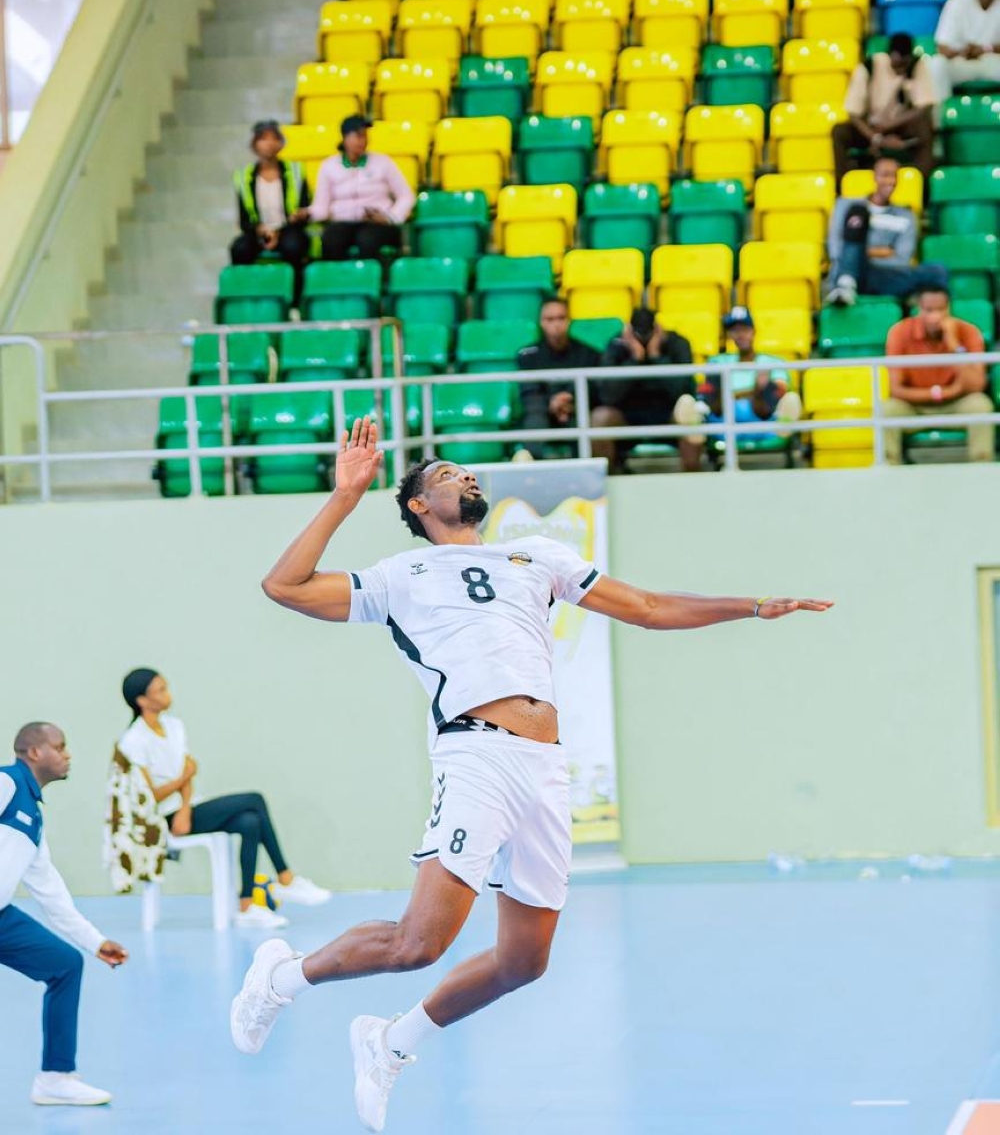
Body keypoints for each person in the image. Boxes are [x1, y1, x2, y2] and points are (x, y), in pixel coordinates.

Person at [229, 417, 832, 1133]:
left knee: (524, 961)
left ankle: (390, 1042)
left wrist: (754, 606)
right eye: (447, 474)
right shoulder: (400, 576)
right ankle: (282, 977)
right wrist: (344, 496)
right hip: (476, 756)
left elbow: (646, 608)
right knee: (417, 944)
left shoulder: (536, 557)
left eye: (469, 471)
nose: (467, 476)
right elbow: (284, 585)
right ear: (419, 505)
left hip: (543, 768)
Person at [118, 669, 331, 928]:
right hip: (161, 818)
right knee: (254, 799)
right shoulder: (133, 741)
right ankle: (286, 879)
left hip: (186, 810)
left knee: (250, 822)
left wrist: (185, 806)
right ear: (142, 701)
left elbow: (188, 773)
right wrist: (182, 781)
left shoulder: (175, 727)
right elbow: (149, 795)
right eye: (160, 690)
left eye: (166, 687)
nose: (168, 694)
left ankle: (246, 907)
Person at [0, 722, 128, 1107]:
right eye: (61, 746)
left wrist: (95, 942)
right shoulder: (5, 784)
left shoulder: (33, 819)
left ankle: (55, 1078)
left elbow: (51, 894)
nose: (68, 754)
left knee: (65, 964)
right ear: (34, 752)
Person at [883, 286, 994, 464]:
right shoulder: (899, 332)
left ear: (949, 308)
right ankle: (889, 470)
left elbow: (976, 385)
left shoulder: (969, 331)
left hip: (957, 405)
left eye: (940, 309)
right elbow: (895, 389)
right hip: (914, 406)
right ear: (918, 309)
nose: (935, 316)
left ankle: (981, 468)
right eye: (928, 310)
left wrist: (953, 343)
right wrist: (945, 392)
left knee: (981, 405)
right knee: (887, 410)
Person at [591, 307, 703, 473]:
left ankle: (694, 478)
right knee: (600, 418)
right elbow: (608, 396)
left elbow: (683, 390)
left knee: (689, 410)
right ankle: (607, 481)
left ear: (656, 328)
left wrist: (656, 356)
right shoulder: (616, 345)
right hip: (627, 413)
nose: (643, 336)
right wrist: (635, 358)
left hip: (668, 411)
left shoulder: (677, 343)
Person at [824, 156, 948, 306]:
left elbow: (902, 259)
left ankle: (933, 317)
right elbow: (837, 250)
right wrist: (883, 251)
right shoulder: (846, 205)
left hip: (884, 276)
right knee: (857, 214)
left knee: (937, 270)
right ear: (874, 177)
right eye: (885, 175)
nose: (890, 181)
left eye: (894, 176)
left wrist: (863, 252)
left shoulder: (906, 216)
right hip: (850, 270)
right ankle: (846, 286)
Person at [833, 33, 936, 185]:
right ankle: (842, 185)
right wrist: (876, 138)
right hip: (870, 127)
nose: (900, 69)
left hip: (900, 125)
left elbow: (924, 107)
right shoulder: (868, 67)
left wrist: (890, 125)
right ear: (889, 56)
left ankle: (922, 183)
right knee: (839, 131)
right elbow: (853, 113)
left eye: (904, 65)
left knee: (924, 126)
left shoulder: (916, 65)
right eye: (896, 64)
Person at [311, 115, 415, 263]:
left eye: (365, 136)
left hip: (377, 223)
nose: (362, 141)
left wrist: (391, 217)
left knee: (367, 239)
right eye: (357, 136)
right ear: (345, 138)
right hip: (343, 221)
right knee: (331, 239)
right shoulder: (328, 166)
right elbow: (321, 206)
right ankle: (337, 283)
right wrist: (308, 214)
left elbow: (406, 196)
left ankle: (369, 283)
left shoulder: (383, 162)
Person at [693, 306, 802, 439]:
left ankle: (784, 429)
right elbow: (710, 395)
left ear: (753, 332)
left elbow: (780, 391)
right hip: (723, 420)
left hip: (764, 419)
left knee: (782, 397)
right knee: (702, 399)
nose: (740, 335)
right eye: (734, 330)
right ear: (729, 335)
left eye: (745, 329)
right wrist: (753, 391)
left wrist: (738, 394)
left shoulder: (774, 361)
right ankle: (694, 432)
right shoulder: (717, 361)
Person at [514, 297, 601, 459]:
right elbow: (529, 392)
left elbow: (595, 390)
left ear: (569, 321)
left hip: (576, 410)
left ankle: (583, 471)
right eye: (550, 319)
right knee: (534, 418)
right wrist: (551, 402)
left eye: (561, 318)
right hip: (541, 411)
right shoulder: (527, 355)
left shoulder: (588, 353)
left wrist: (570, 400)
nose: (556, 324)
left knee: (584, 419)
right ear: (541, 322)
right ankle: (532, 474)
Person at [230, 120, 312, 281]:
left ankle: (294, 298)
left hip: (289, 228)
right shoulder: (243, 177)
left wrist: (280, 231)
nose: (269, 144)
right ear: (254, 145)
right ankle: (249, 295)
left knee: (293, 246)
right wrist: (261, 230)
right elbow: (244, 220)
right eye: (263, 139)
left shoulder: (296, 171)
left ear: (281, 143)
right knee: (239, 249)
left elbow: (305, 209)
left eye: (274, 138)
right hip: (259, 231)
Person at [932, 0, 1000, 103]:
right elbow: (941, 47)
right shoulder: (957, 2)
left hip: (993, 60)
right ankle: (941, 119)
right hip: (962, 61)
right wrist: (962, 51)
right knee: (936, 64)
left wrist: (984, 49)